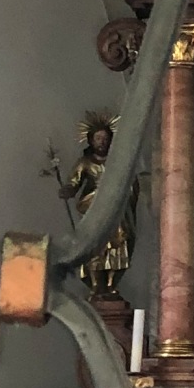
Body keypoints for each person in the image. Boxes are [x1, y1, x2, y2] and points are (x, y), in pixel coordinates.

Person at [58, 111, 134, 300]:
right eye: (98, 138)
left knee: (118, 245)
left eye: (105, 138)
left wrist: (127, 193)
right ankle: (95, 285)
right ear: (90, 140)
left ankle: (110, 284)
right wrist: (67, 190)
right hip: (94, 209)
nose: (101, 142)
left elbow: (130, 183)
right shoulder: (85, 163)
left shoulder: (118, 163)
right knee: (94, 247)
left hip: (116, 210)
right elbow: (74, 183)